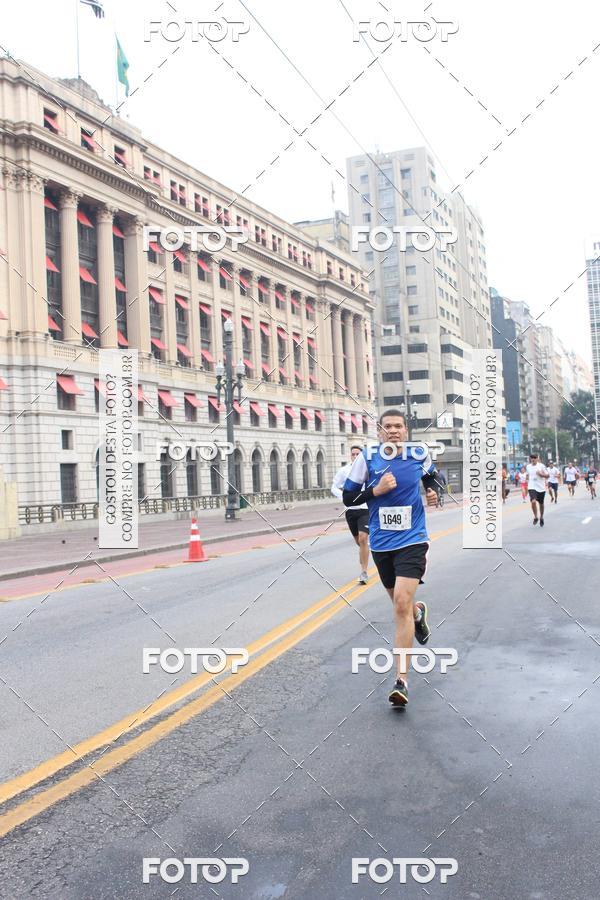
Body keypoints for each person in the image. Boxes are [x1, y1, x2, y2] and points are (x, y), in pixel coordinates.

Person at [343, 409, 438, 708]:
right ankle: (418, 613)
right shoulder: (368, 458)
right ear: (380, 431)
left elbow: (435, 478)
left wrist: (434, 491)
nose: (393, 431)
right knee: (404, 607)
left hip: (413, 540)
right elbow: (348, 498)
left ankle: (401, 680)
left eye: (398, 426)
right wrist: (375, 490)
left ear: (406, 430)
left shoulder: (419, 454)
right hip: (382, 544)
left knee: (399, 603)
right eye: (388, 427)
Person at [331, 446, 370, 584]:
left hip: (365, 508)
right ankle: (364, 552)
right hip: (350, 510)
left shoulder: (367, 468)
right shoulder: (344, 471)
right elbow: (334, 486)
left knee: (363, 538)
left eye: (357, 454)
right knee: (359, 542)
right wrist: (344, 496)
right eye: (352, 454)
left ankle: (364, 572)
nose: (354, 456)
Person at [526, 453, 549, 527]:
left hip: (541, 487)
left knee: (541, 504)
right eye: (531, 458)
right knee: (533, 501)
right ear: (530, 458)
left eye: (534, 457)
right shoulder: (528, 466)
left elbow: (547, 475)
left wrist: (541, 474)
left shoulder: (541, 466)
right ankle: (536, 517)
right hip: (532, 487)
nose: (533, 459)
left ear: (537, 458)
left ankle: (541, 517)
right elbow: (527, 475)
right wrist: (527, 481)